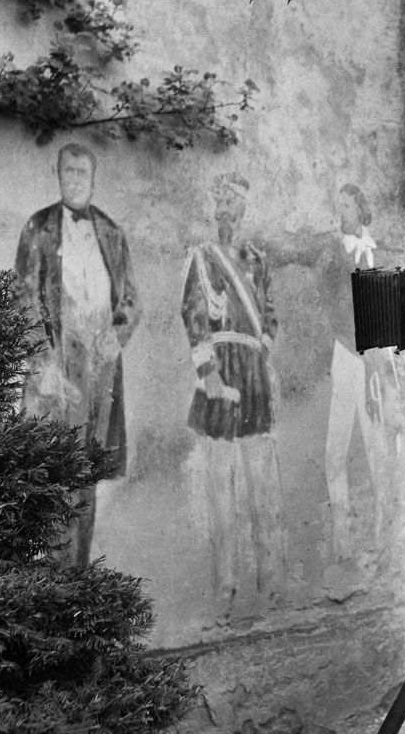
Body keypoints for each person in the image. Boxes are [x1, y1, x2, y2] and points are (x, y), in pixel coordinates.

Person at [15, 142, 141, 566]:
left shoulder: (110, 231)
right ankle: (49, 583)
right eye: (67, 172)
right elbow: (24, 301)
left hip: (98, 375)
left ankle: (77, 581)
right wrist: (42, 366)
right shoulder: (39, 228)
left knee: (85, 479)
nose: (74, 180)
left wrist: (116, 337)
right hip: (57, 371)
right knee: (52, 476)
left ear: (92, 178)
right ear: (58, 176)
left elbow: (130, 304)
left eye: (81, 173)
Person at [181, 171, 285, 612]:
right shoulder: (201, 257)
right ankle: (225, 585)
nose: (227, 210)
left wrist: (264, 354)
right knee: (221, 489)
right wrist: (209, 374)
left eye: (234, 203)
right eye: (220, 202)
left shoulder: (258, 260)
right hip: (220, 368)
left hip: (254, 374)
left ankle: (272, 584)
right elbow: (193, 314)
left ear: (244, 209)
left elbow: (270, 313)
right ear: (213, 208)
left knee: (263, 484)